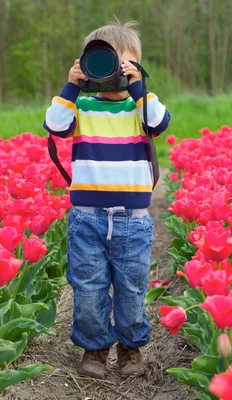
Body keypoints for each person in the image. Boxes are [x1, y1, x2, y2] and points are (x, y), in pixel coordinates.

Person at [43, 20, 170, 378]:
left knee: (132, 289)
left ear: (136, 67)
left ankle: (130, 349)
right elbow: (54, 125)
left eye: (123, 64)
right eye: (106, 61)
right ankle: (95, 349)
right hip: (87, 218)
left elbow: (159, 123)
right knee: (88, 287)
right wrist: (71, 85)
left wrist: (138, 87)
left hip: (133, 220)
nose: (114, 70)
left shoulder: (141, 106)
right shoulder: (81, 105)